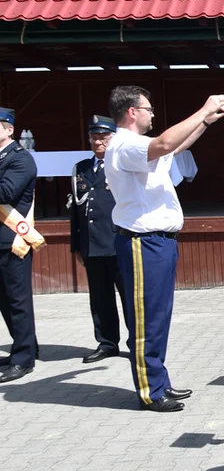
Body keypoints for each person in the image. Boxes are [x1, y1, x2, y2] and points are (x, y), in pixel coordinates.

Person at [104, 85, 224, 411]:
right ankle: (150, 391)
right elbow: (164, 143)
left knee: (158, 318)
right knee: (146, 320)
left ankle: (158, 380)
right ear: (132, 112)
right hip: (142, 242)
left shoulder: (139, 147)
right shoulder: (126, 144)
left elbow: (171, 148)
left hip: (158, 242)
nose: (152, 114)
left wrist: (204, 123)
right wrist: (202, 110)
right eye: (148, 109)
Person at [71, 115, 130, 364]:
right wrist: (76, 246)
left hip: (119, 242)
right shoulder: (82, 168)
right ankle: (107, 343)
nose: (98, 142)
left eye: (103, 137)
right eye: (94, 137)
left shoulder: (123, 165)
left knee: (129, 297)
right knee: (100, 298)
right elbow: (75, 210)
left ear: (113, 138)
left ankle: (138, 342)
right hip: (92, 244)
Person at [0, 107, 40, 383]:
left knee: (17, 301)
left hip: (12, 240)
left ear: (9, 129)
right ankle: (22, 347)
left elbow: (6, 193)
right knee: (5, 301)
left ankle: (24, 359)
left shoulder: (20, 159)